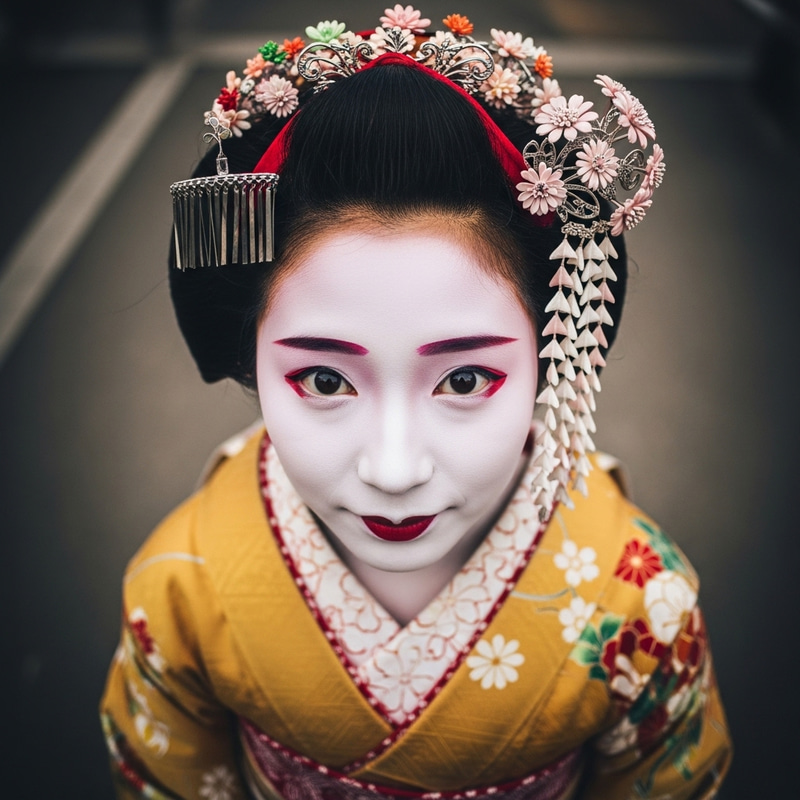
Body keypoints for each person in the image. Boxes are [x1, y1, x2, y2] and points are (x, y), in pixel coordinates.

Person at [100, 8, 732, 799]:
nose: (394, 469)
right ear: (246, 350)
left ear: (554, 348)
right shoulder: (180, 590)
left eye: (465, 380)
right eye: (324, 380)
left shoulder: (644, 602)